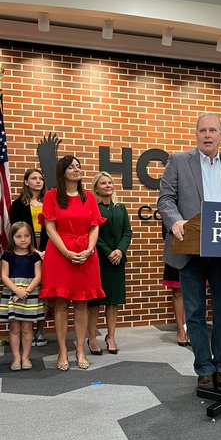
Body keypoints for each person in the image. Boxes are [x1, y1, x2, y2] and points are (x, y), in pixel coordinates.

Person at [158, 112, 221, 392]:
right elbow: (165, 200)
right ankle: (204, 368)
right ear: (195, 134)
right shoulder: (178, 161)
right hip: (189, 248)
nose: (207, 135)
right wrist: (175, 222)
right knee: (195, 312)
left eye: (212, 130)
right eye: (202, 131)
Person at [39, 155, 105, 371]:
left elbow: (95, 225)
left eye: (78, 166)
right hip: (60, 253)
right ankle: (62, 351)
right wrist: (66, 252)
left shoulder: (89, 197)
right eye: (71, 167)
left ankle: (80, 350)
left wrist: (90, 248)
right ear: (63, 172)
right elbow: (50, 228)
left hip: (86, 253)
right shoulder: (51, 196)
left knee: (82, 303)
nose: (77, 169)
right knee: (60, 303)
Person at [87, 172, 132, 354]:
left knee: (113, 301)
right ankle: (91, 338)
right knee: (95, 302)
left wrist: (120, 250)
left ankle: (111, 337)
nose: (108, 185)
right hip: (98, 260)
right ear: (96, 187)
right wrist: (107, 252)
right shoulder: (92, 207)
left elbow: (127, 232)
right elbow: (91, 234)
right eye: (103, 183)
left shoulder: (120, 207)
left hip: (117, 261)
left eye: (110, 182)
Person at [10, 168, 49, 347]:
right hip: (27, 253)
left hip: (49, 251)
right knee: (28, 290)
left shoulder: (49, 202)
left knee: (45, 293)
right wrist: (34, 250)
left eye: (40, 178)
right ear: (26, 182)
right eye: (33, 178)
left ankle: (40, 329)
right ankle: (27, 330)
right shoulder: (18, 204)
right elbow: (17, 231)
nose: (38, 181)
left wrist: (47, 250)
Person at [0, 222, 44, 370]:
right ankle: (16, 359)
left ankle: (25, 357)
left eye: (26, 235)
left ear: (31, 237)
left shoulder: (34, 256)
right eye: (19, 236)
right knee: (14, 328)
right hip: (12, 293)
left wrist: (26, 291)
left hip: (30, 295)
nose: (23, 239)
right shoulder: (7, 255)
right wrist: (17, 291)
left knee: (27, 327)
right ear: (12, 238)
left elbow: (38, 276)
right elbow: (4, 276)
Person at [162, 222, 188, 346]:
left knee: (196, 292)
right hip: (176, 249)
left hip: (196, 252)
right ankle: (180, 330)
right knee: (177, 292)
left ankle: (192, 329)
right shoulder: (170, 207)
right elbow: (166, 231)